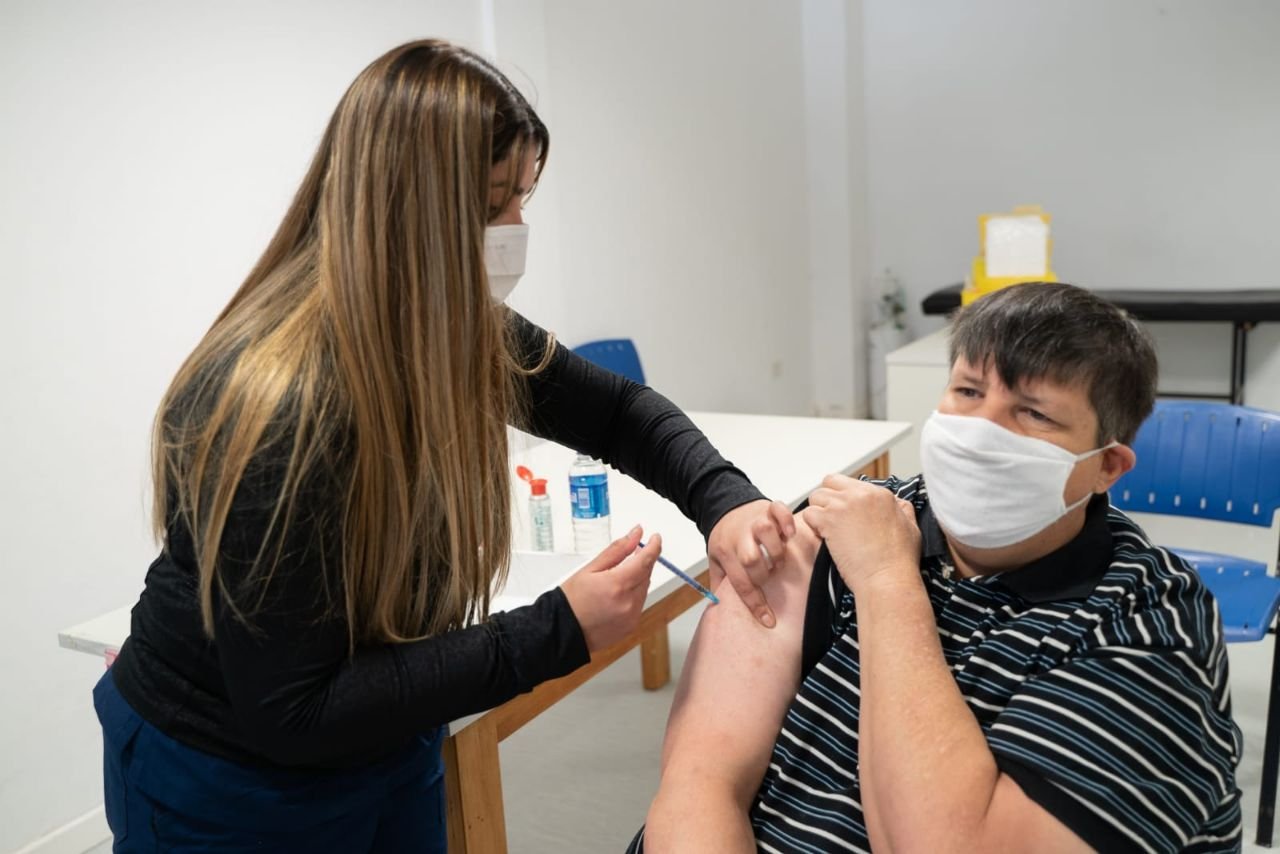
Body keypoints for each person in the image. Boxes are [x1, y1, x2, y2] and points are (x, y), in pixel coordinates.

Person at [93, 39, 796, 852]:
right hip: (226, 775)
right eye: (496, 202)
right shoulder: (281, 404)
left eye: (524, 197)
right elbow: (296, 709)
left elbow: (619, 414)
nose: (516, 229)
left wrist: (725, 499)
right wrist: (559, 630)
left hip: (387, 724)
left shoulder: (446, 328)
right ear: (411, 210)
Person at [636, 282, 1243, 853]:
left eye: (1034, 413)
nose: (981, 432)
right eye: (969, 391)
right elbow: (699, 778)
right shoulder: (854, 517)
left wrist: (885, 582)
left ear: (1107, 466)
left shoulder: (1145, 626)